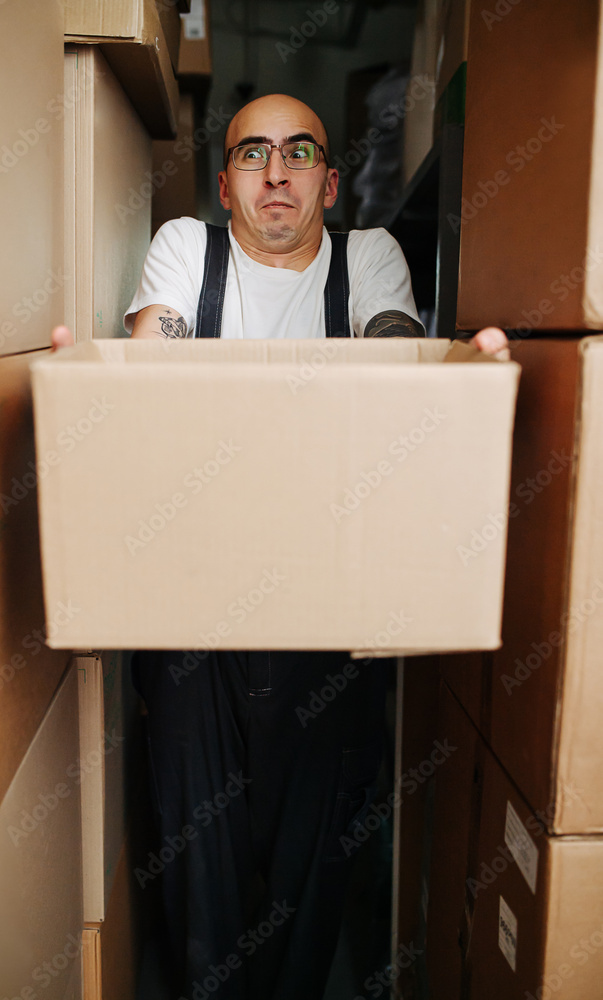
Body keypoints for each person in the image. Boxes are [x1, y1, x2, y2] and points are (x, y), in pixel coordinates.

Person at [52, 94, 508, 1000]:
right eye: (251, 153)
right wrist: (95, 382)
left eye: (299, 152)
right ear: (223, 183)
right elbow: (147, 368)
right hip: (190, 620)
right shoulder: (186, 249)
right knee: (200, 877)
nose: (275, 171)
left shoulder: (367, 259)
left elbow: (396, 361)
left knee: (312, 870)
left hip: (326, 620)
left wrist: (456, 380)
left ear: (329, 183)